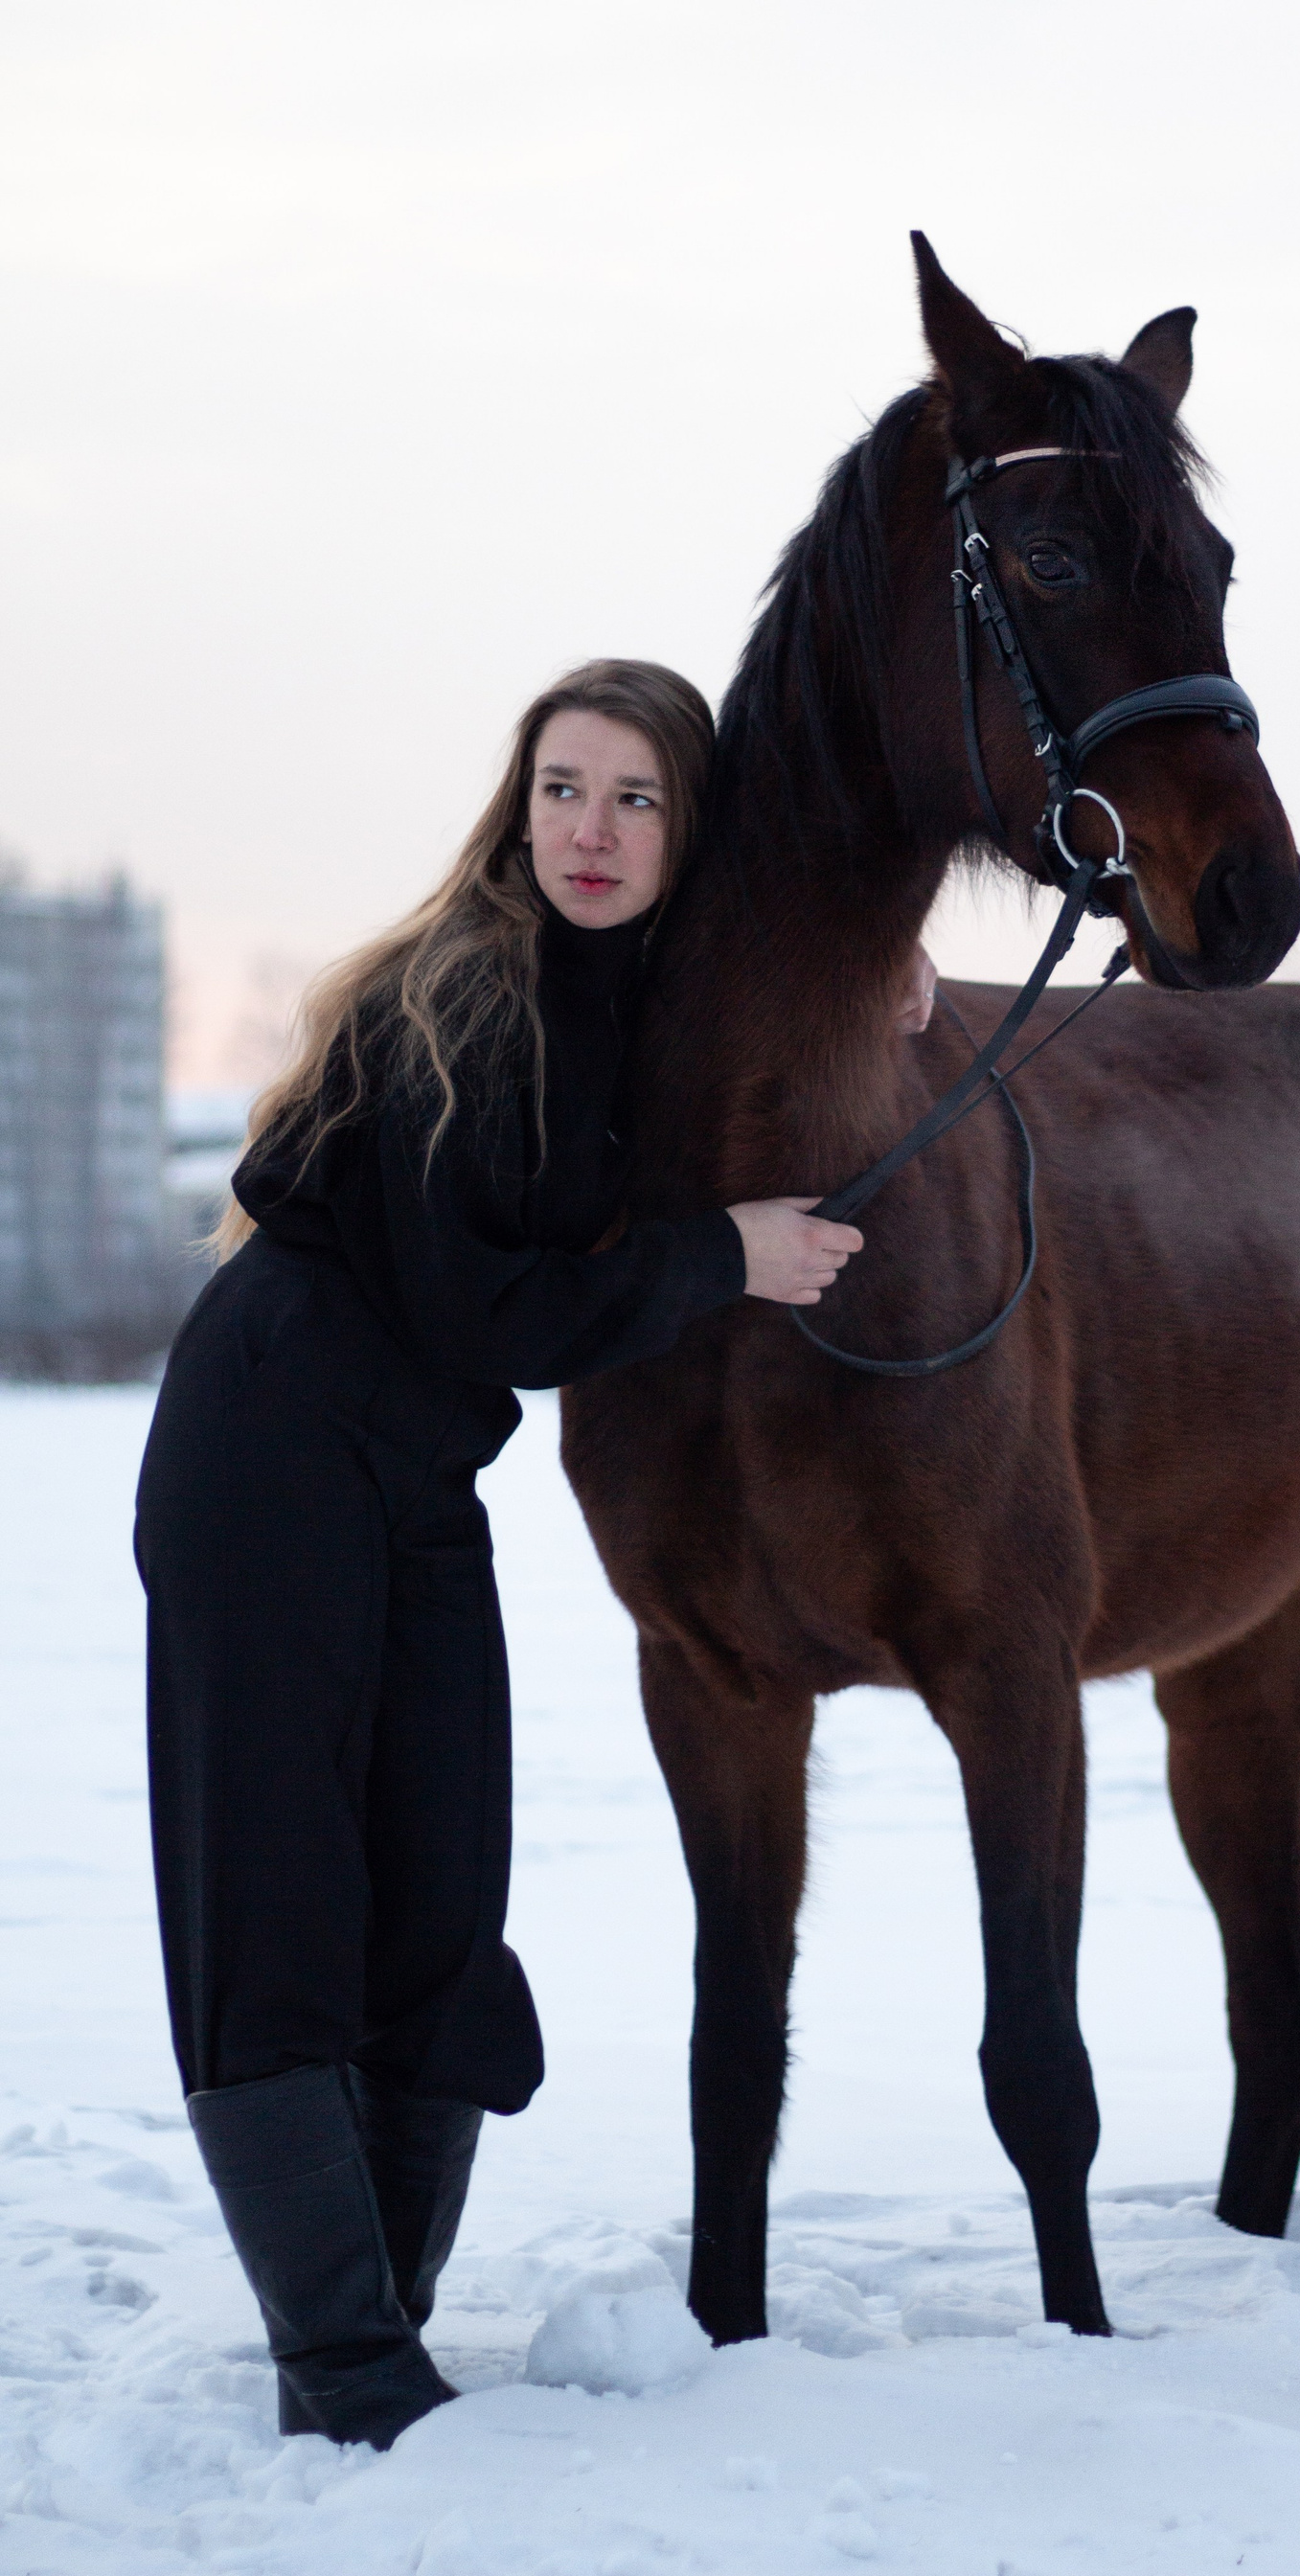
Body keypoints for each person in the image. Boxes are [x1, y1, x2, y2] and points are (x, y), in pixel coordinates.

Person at [133, 660, 884, 2451]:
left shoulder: (636, 993)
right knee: (279, 1901)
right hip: (269, 1452)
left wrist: (879, 973)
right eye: (561, 787)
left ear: (688, 833)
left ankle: (378, 2312)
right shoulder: (459, 996)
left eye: (635, 797)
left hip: (413, 1474)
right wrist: (723, 1256)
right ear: (517, 805)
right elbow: (486, 1304)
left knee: (441, 1892)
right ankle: (348, 2365)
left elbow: (766, 993)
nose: (590, 830)